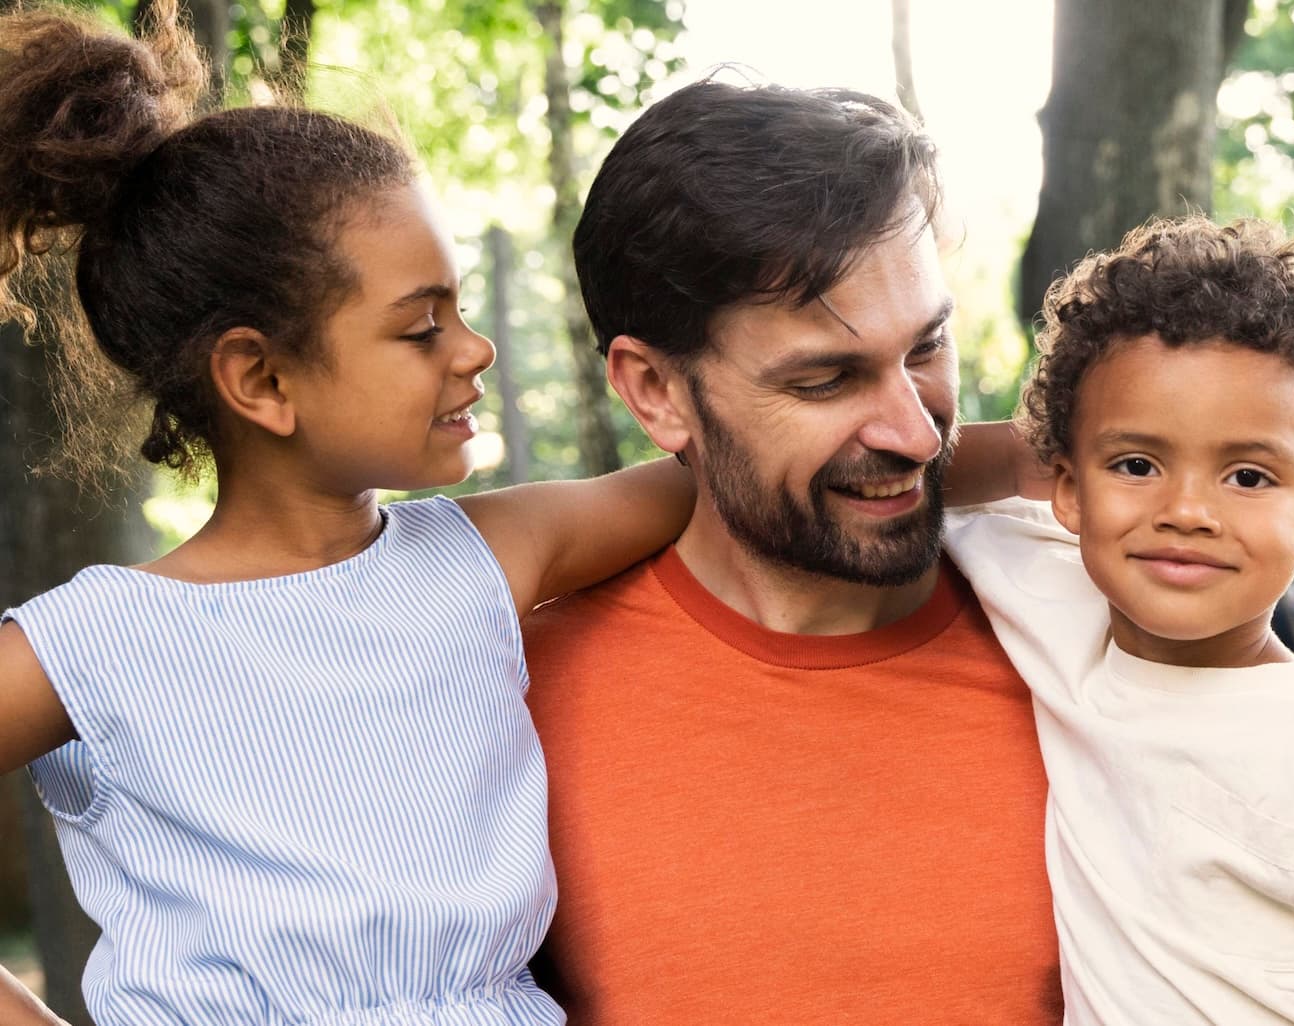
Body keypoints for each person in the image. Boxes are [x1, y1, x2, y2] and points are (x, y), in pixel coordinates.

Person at [0, 11, 691, 1024]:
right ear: (261, 377)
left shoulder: (485, 554)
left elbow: (755, 467)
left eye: (458, 309)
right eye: (421, 328)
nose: (475, 349)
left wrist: (1011, 454)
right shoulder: (93, 642)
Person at [519, 78, 1061, 1023]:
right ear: (654, 392)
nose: (918, 435)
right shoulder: (507, 696)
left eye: (927, 349)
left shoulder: (1092, 644)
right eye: (825, 380)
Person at [945, 217, 1294, 1025]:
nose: (1186, 511)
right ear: (1064, 488)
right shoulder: (1046, 601)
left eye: (1247, 475)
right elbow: (868, 477)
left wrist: (1107, 456)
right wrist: (1030, 449)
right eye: (1137, 464)